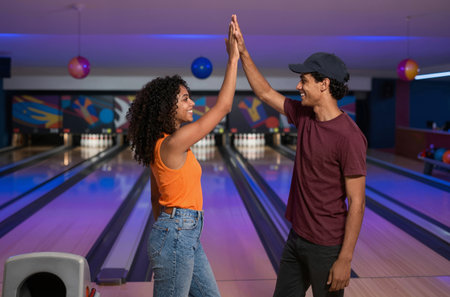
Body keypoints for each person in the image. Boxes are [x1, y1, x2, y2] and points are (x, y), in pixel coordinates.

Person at [231, 15, 367, 297]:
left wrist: (345, 258)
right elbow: (265, 93)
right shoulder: (304, 115)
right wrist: (243, 52)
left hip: (327, 247)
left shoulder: (349, 136)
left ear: (324, 84)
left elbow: (357, 201)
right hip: (297, 237)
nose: (298, 86)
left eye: (303, 80)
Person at [126, 17, 239, 297]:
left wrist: (167, 233)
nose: (193, 103)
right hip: (177, 233)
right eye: (185, 98)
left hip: (181, 235)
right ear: (168, 107)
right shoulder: (174, 143)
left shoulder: (161, 145)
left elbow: (156, 198)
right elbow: (223, 107)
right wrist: (233, 58)